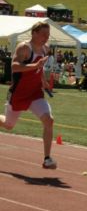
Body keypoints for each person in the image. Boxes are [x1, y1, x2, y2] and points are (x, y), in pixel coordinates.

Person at [0, 21, 58, 169]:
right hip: (19, 94)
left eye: (48, 34)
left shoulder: (45, 49)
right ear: (34, 33)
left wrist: (43, 80)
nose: (46, 37)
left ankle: (47, 158)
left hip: (35, 94)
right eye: (43, 34)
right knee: (8, 125)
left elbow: (39, 69)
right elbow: (14, 67)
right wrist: (35, 66)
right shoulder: (24, 48)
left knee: (49, 120)